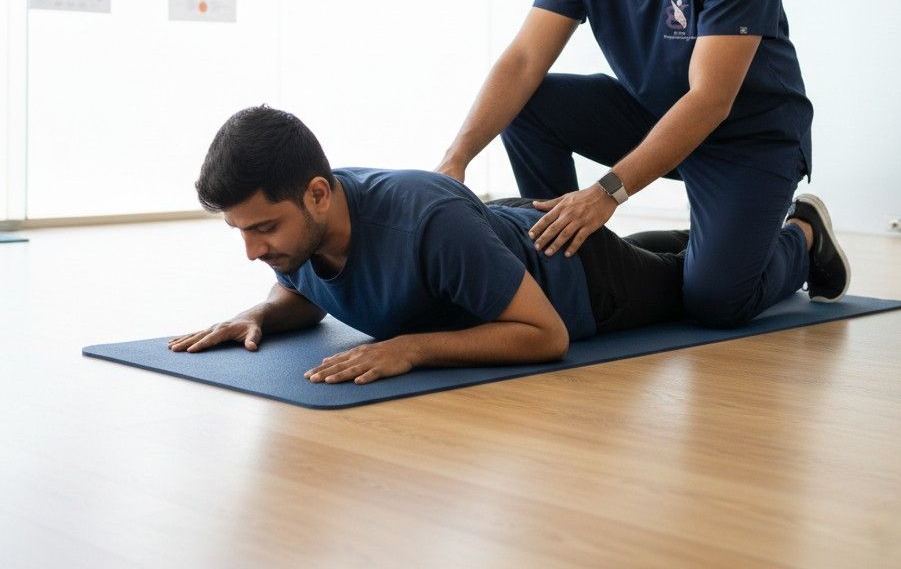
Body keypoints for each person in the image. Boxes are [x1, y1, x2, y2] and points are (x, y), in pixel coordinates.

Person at [437, 0, 850, 328]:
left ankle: (801, 234)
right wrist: (456, 159)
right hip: (653, 116)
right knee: (528, 101)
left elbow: (709, 100)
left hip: (749, 139)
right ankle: (568, 256)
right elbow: (521, 63)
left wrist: (607, 191)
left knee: (716, 303)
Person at [169, 106, 690, 385]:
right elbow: (308, 294)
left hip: (585, 276)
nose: (253, 251)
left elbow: (546, 336)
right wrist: (259, 314)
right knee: (663, 255)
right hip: (497, 231)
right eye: (240, 231)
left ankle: (778, 234)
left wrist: (412, 348)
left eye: (262, 229)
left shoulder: (424, 223)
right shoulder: (303, 230)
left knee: (705, 285)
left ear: (318, 194)